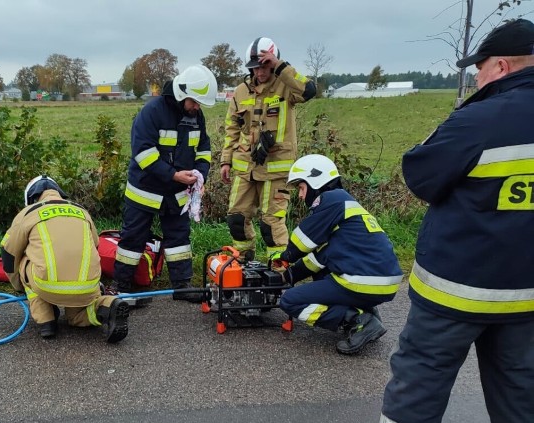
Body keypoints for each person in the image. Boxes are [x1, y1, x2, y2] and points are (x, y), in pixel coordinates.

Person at [352, 19, 534, 423]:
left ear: (502, 66)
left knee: (425, 366)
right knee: (521, 374)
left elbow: (421, 175)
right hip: (528, 291)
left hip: (459, 283)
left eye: (480, 69)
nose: (476, 77)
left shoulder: (481, 119)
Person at [107, 64, 217, 304]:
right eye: (194, 102)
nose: (197, 108)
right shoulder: (152, 112)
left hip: (176, 192)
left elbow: (204, 150)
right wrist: (173, 175)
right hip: (144, 190)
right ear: (181, 94)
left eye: (199, 104)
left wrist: (200, 175)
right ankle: (120, 285)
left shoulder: (195, 116)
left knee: (179, 238)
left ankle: (182, 286)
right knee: (133, 239)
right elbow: (143, 153)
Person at [274, 154, 402, 354]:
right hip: (382, 280)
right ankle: (365, 310)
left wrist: (284, 257)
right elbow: (320, 258)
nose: (299, 195)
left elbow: (301, 242)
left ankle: (357, 319)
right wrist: (289, 276)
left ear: (314, 181)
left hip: (361, 280)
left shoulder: (330, 200)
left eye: (301, 188)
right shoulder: (344, 206)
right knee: (322, 275)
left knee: (290, 300)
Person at [1, 175, 130, 343]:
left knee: (25, 260)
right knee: (76, 316)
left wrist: (19, 285)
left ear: (31, 198)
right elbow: (94, 247)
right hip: (87, 285)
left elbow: (8, 252)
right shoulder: (82, 211)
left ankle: (46, 320)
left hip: (46, 285)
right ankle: (108, 307)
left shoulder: (29, 213)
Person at [221, 37, 316, 262]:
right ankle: (243, 262)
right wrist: (226, 161)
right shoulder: (241, 92)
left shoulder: (286, 86)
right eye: (255, 67)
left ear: (273, 63)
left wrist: (280, 66)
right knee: (236, 219)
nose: (260, 72)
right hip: (246, 167)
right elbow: (232, 128)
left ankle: (279, 271)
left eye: (265, 66)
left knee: (270, 224)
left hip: (276, 169)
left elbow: (309, 90)